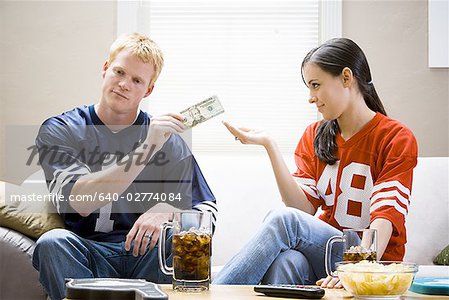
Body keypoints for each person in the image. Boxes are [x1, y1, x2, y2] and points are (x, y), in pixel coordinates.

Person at [213, 38, 417, 288]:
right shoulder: (315, 135)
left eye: (316, 85)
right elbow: (303, 209)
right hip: (330, 253)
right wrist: (270, 145)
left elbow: (386, 215)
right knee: (287, 260)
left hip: (375, 263)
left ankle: (216, 293)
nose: (311, 97)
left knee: (283, 220)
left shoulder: (395, 137)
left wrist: (359, 269)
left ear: (346, 77)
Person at [32, 33, 217, 300]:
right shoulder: (62, 129)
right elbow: (81, 202)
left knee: (172, 240)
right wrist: (148, 146)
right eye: (119, 72)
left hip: (148, 255)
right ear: (105, 69)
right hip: (89, 252)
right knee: (52, 243)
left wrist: (169, 211)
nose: (124, 84)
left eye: (137, 80)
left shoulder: (167, 138)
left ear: (148, 90)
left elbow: (206, 210)